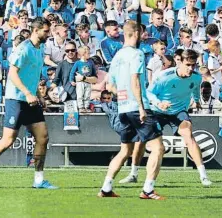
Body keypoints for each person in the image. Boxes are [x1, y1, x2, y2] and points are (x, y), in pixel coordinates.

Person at [0, 17, 58, 189]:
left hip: (30, 99)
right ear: (36, 30)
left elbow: (32, 74)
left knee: (43, 138)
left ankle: (39, 179)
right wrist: (27, 93)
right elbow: (12, 74)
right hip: (16, 99)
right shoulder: (23, 48)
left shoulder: (39, 48)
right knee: (7, 140)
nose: (48, 34)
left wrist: (38, 95)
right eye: (46, 31)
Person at [98, 20, 165, 200]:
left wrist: (123, 95)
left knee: (125, 151)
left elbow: (110, 85)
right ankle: (148, 190)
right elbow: (135, 81)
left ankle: (105, 188)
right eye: (142, 34)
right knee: (158, 148)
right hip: (137, 107)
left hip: (123, 108)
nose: (143, 37)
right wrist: (142, 107)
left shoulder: (118, 55)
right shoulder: (137, 54)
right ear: (135, 34)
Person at [147, 49, 212, 186]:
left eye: (193, 65)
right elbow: (149, 93)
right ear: (180, 62)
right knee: (145, 142)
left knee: (188, 134)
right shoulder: (164, 76)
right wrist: (159, 103)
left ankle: (203, 176)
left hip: (178, 111)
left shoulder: (196, 77)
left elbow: (194, 88)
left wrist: (197, 100)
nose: (190, 68)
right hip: (158, 111)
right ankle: (134, 172)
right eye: (187, 65)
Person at [69, 46, 97, 112]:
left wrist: (93, 78)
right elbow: (72, 72)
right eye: (88, 53)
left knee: (87, 94)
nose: (89, 55)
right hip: (80, 82)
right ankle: (81, 107)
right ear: (83, 54)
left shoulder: (91, 62)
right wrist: (71, 80)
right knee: (80, 94)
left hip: (88, 81)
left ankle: (86, 107)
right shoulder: (78, 63)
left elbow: (93, 71)